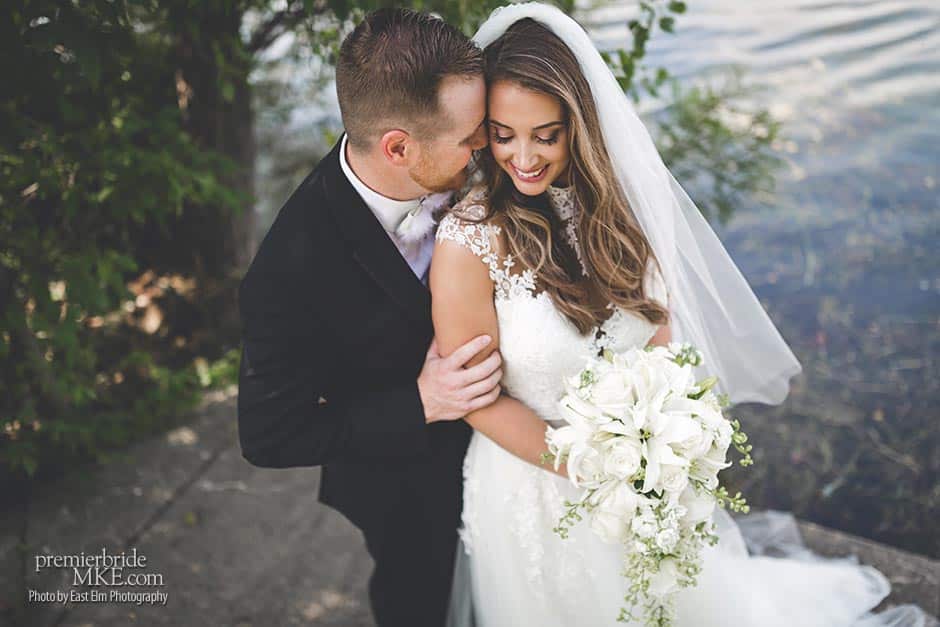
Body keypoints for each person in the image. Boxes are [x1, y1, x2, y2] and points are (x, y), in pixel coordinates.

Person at [432, 4, 936, 626]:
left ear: (578, 125)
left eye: (546, 134)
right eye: (503, 134)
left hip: (641, 474)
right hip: (533, 492)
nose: (524, 157)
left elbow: (658, 326)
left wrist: (662, 440)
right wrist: (601, 468)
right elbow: (477, 399)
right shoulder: (468, 242)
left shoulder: (623, 206)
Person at [236, 9, 502, 627]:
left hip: (507, 453)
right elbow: (270, 435)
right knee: (420, 601)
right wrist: (419, 401)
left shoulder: (471, 162)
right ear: (399, 148)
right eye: (470, 139)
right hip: (404, 488)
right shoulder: (288, 272)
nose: (485, 147)